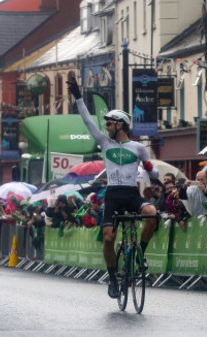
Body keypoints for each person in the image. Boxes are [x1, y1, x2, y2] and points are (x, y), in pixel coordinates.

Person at [67, 75, 159, 299]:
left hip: (131, 193)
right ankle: (112, 277)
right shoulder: (104, 142)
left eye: (109, 123)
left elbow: (153, 175)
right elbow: (87, 120)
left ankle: (139, 256)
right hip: (113, 194)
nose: (105, 127)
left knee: (153, 214)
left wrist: (149, 167)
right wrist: (78, 96)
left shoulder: (138, 147)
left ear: (120, 125)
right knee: (109, 237)